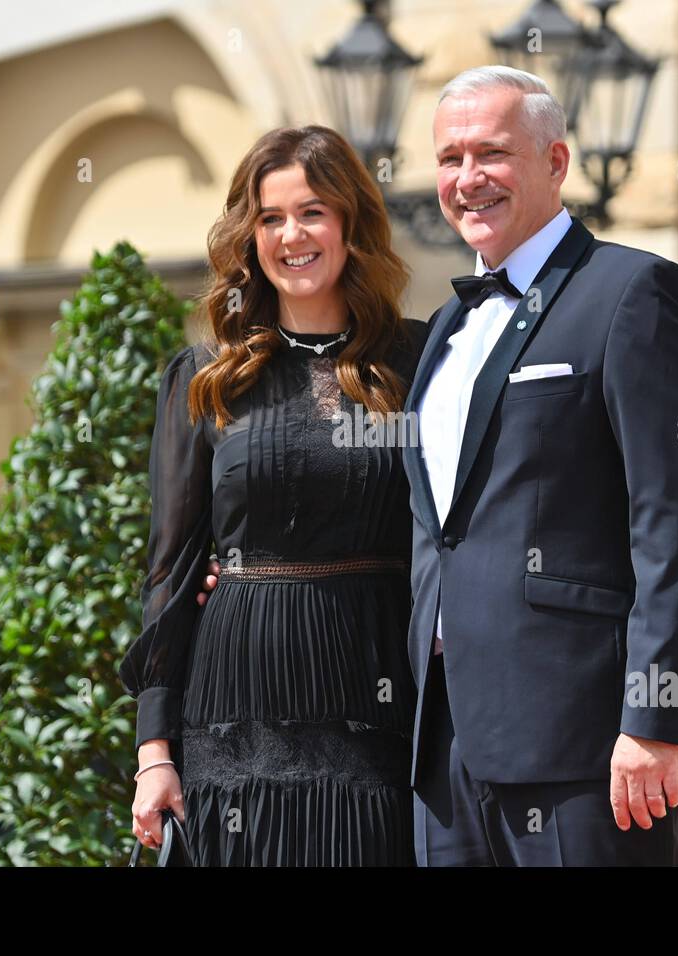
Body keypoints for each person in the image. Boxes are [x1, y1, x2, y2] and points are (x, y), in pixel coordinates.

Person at [401, 66, 678, 865]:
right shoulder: (444, 325)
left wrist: (656, 720)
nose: (467, 178)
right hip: (442, 748)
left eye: (491, 153)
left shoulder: (634, 292)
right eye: (450, 159)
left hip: (587, 744)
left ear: (556, 162)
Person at [119, 125, 430, 865]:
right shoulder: (206, 377)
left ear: (352, 225)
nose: (292, 234)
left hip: (376, 693)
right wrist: (153, 752)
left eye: (313, 211)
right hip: (235, 698)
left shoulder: (417, 359)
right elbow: (170, 570)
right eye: (270, 218)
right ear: (249, 235)